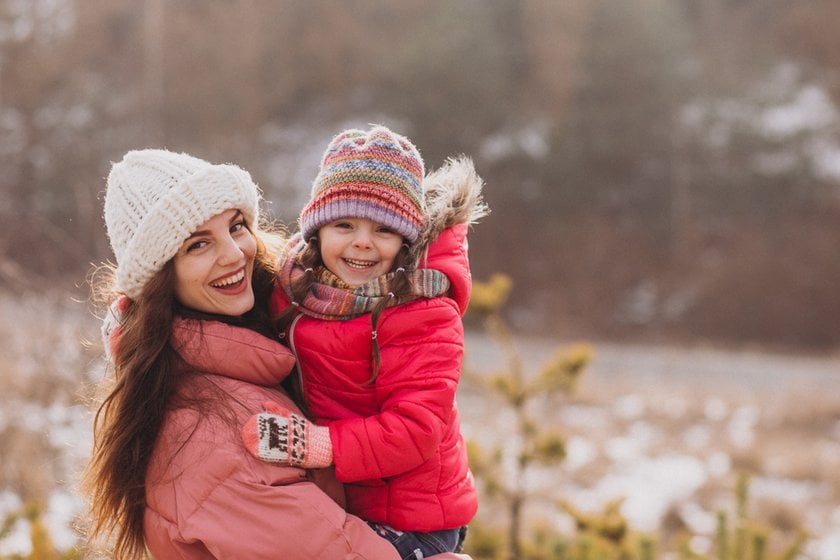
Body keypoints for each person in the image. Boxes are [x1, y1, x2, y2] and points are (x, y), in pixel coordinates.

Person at [84, 148, 472, 559]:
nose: (235, 254)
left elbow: (418, 421)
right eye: (198, 245)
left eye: (236, 227)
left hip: (413, 514)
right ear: (160, 279)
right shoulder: (204, 433)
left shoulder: (275, 319)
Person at [241, 125, 487, 560]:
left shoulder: (423, 311)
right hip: (343, 494)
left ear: (405, 239)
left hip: (414, 518)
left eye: (383, 230)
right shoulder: (294, 283)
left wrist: (322, 445)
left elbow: (417, 429)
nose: (362, 242)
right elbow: (228, 304)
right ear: (316, 230)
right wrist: (149, 314)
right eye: (344, 223)